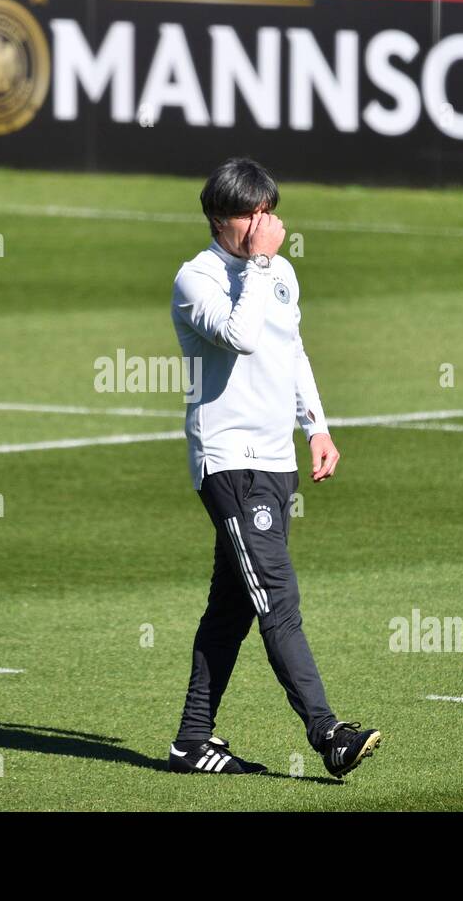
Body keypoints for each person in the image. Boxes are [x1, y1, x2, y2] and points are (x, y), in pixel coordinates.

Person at [167, 157, 381, 779]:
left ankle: (191, 741)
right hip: (229, 460)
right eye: (251, 213)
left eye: (268, 209)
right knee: (277, 596)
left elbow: (291, 351)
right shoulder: (197, 278)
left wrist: (316, 425)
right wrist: (258, 264)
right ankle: (328, 732)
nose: (265, 222)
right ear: (220, 218)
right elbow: (241, 336)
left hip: (277, 460)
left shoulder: (279, 272)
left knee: (232, 603)